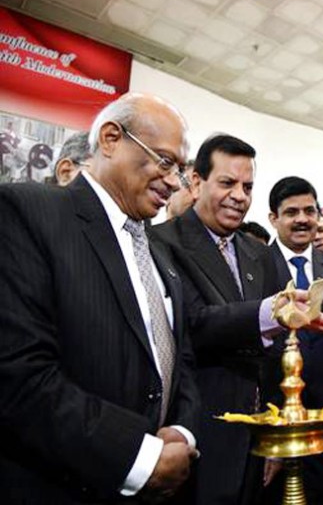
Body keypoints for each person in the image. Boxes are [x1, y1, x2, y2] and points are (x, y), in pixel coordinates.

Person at [0, 93, 200, 503]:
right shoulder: (27, 212)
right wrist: (139, 457)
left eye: (180, 170)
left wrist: (181, 432)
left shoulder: (161, 254)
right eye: (165, 162)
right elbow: (18, 374)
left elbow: (182, 359)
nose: (174, 181)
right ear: (110, 139)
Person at [152, 136, 323, 505]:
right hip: (199, 437)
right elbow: (191, 325)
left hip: (258, 442)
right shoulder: (161, 243)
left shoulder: (256, 253)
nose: (239, 196)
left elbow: (272, 352)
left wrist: (273, 437)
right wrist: (274, 311)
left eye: (247, 187)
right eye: (227, 183)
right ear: (196, 182)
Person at [267, 176, 323, 505]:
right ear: (274, 218)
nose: (302, 219)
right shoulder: (255, 266)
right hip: (277, 428)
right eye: (291, 212)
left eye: (309, 210)